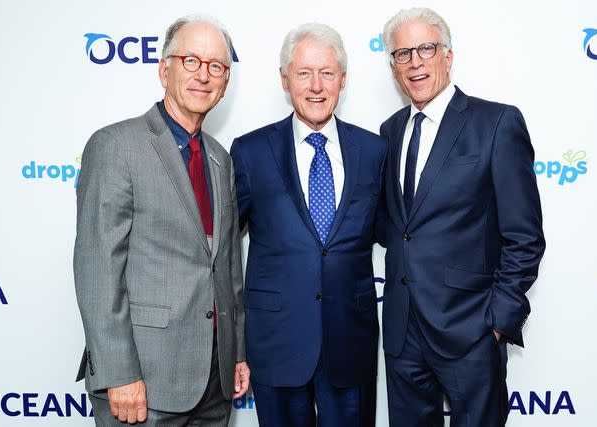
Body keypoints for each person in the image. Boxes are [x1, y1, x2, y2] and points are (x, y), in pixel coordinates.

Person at [73, 14, 249, 426]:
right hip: (143, 383)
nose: (203, 75)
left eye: (216, 67)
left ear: (225, 83)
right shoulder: (116, 145)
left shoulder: (220, 158)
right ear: (162, 69)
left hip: (213, 382)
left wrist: (236, 351)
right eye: (190, 60)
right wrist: (120, 373)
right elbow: (98, 269)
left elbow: (226, 269)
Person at [378, 7, 546, 426]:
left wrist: (497, 321)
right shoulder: (389, 131)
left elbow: (524, 236)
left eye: (426, 49)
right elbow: (397, 228)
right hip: (402, 332)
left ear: (447, 56)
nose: (415, 62)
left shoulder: (496, 122)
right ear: (393, 67)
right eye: (402, 54)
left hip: (470, 330)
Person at [230, 23, 387, 427]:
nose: (316, 86)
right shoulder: (249, 152)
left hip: (350, 344)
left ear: (343, 80)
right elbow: (222, 251)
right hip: (276, 344)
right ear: (285, 80)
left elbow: (396, 234)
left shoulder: (374, 150)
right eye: (303, 73)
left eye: (327, 73)